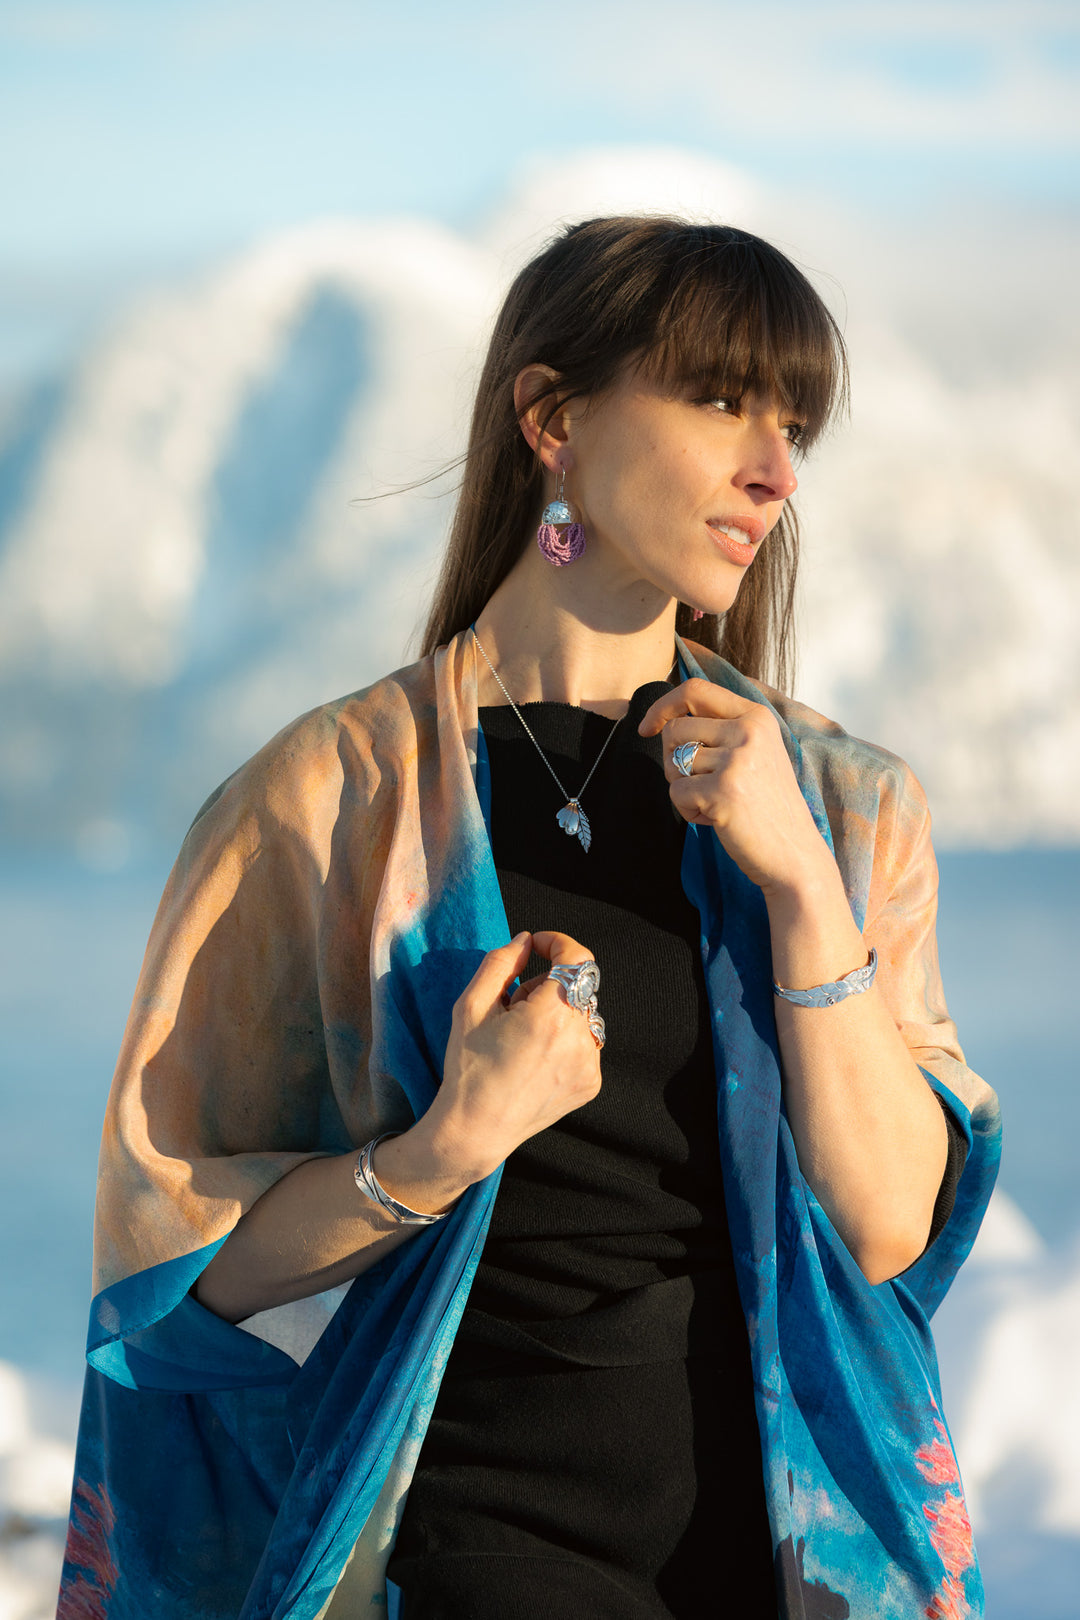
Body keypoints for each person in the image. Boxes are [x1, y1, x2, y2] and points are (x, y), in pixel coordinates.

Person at [58, 217, 1000, 1620]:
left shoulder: (845, 811)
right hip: (477, 1547)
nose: (776, 471)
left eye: (794, 424)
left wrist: (802, 889)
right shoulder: (324, 807)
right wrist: (445, 1148)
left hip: (801, 1553)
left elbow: (882, 1232)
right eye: (724, 399)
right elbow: (172, 1268)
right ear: (552, 417)